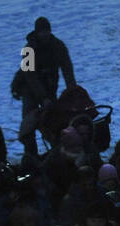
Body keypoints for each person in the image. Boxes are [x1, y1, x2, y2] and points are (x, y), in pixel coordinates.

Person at [15, 17, 76, 164]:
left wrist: (72, 90)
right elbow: (30, 76)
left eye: (47, 31)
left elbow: (67, 69)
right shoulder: (28, 49)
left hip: (50, 88)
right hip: (30, 90)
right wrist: (43, 98)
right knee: (29, 124)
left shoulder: (58, 46)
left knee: (53, 121)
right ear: (36, 32)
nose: (44, 34)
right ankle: (31, 155)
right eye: (42, 32)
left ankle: (57, 151)